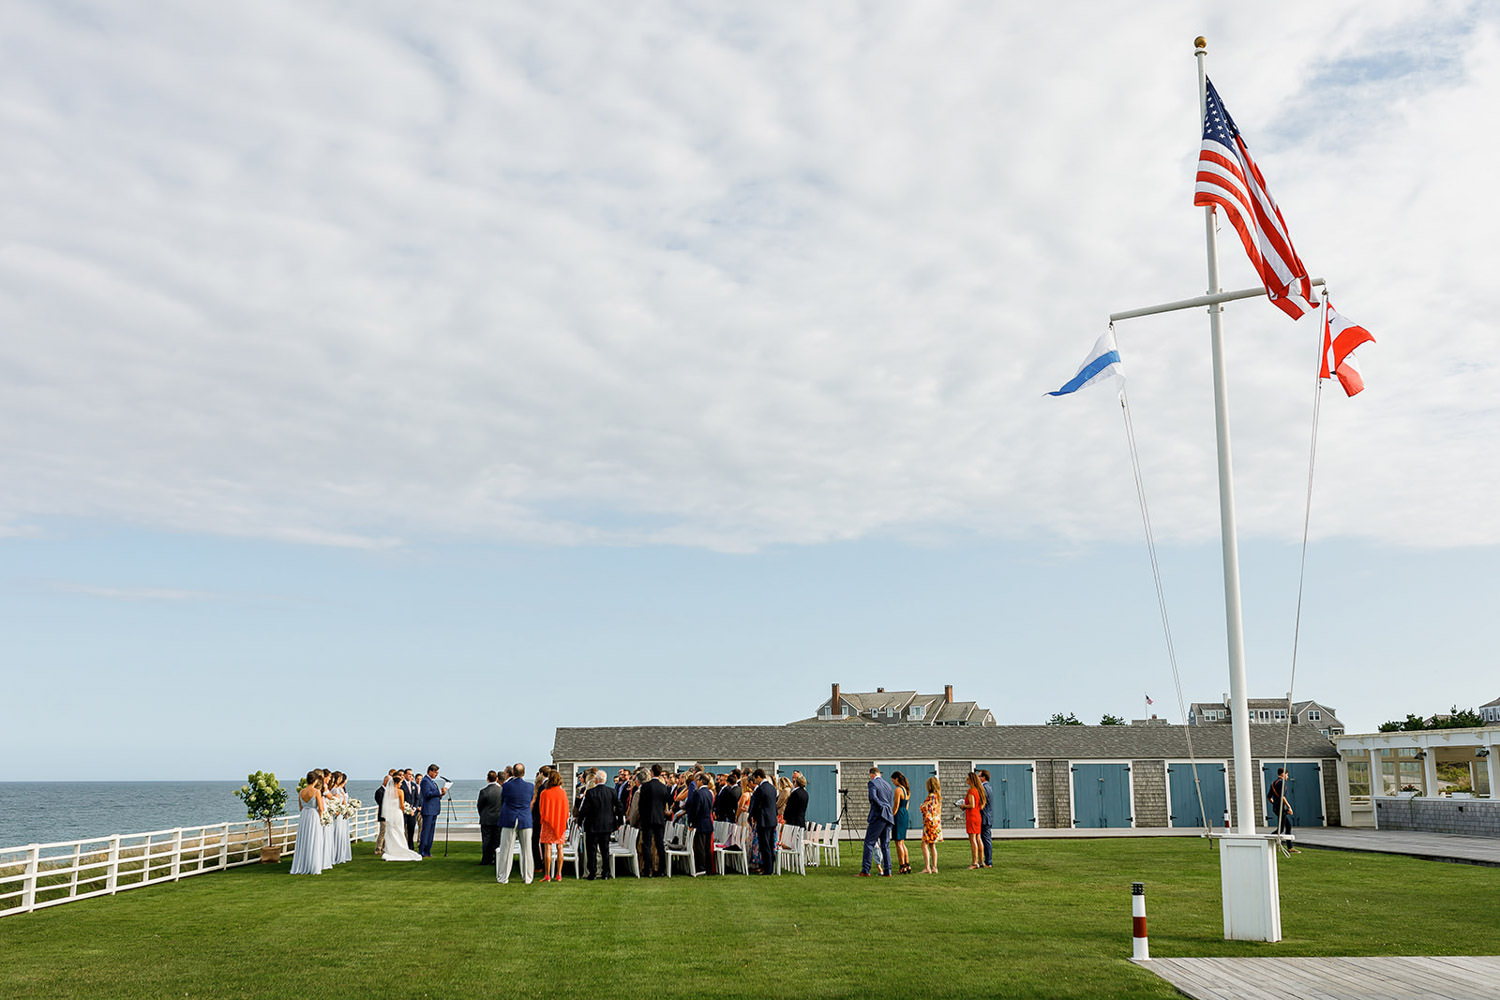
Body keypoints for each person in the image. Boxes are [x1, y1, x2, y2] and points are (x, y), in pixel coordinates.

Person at [496, 763, 535, 884]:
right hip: (525, 819)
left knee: (506, 850)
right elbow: (529, 800)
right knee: (527, 850)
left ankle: (503, 877)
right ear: (524, 773)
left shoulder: (507, 786)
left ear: (513, 772)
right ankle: (528, 878)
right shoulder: (530, 786)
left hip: (509, 818)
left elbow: (502, 799)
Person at [579, 769, 618, 880]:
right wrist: (619, 821)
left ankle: (592, 873)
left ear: (596, 780)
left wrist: (579, 821)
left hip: (592, 825)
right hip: (606, 826)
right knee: (605, 850)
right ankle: (605, 873)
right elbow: (619, 807)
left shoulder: (591, 793)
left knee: (592, 850)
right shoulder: (612, 792)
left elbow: (585, 809)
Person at [636, 764, 671, 877]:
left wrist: (642, 816)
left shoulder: (645, 787)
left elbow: (641, 805)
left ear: (651, 772)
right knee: (660, 844)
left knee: (647, 844)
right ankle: (661, 869)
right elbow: (666, 802)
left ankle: (647, 869)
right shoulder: (663, 787)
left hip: (647, 819)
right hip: (659, 818)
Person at [859, 766, 894, 877]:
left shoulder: (872, 783)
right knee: (885, 845)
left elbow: (873, 797)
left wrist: (880, 806)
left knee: (869, 843)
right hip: (888, 816)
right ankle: (888, 871)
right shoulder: (888, 785)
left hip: (878, 815)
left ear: (872, 775)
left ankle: (866, 870)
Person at [379, 772, 422, 862]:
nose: (401, 784)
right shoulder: (400, 791)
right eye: (400, 783)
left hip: (390, 814)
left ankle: (391, 851)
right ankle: (401, 849)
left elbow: (387, 805)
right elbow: (402, 805)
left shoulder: (388, 792)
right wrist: (406, 810)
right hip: (398, 814)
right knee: (399, 831)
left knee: (391, 832)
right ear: (396, 783)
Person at [289, 771, 326, 875]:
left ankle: (301, 865)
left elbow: (301, 807)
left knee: (304, 839)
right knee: (314, 839)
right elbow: (321, 808)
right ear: (315, 780)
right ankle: (313, 866)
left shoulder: (301, 792)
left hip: (304, 816)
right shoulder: (316, 792)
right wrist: (321, 817)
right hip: (313, 816)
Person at [537, 771, 569, 882]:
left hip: (547, 824)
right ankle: (559, 874)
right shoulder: (563, 793)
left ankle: (547, 875)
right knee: (560, 848)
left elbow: (541, 810)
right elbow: (566, 810)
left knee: (548, 848)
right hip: (560, 823)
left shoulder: (544, 793)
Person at [749, 769, 778, 875]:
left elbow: (758, 805)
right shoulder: (772, 788)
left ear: (758, 777)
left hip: (763, 820)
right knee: (770, 845)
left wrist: (753, 816)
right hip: (772, 819)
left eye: (755, 778)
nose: (754, 781)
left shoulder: (760, 789)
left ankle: (767, 869)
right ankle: (770, 867)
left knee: (764, 845)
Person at [686, 772, 715, 875]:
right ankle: (708, 868)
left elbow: (696, 809)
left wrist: (691, 823)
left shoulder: (698, 793)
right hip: (708, 822)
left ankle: (701, 867)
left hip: (700, 823)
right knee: (707, 847)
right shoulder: (709, 792)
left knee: (700, 847)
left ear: (701, 781)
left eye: (697, 780)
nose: (696, 782)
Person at [1268, 767, 1300, 852]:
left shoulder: (1273, 783)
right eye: (1287, 775)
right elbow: (1283, 797)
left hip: (1276, 808)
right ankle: (1268, 842)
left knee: (1288, 825)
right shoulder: (1282, 783)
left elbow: (1269, 797)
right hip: (1281, 808)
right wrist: (1289, 807)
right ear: (1283, 774)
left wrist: (1274, 803)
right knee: (1281, 829)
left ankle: (1290, 847)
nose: (1288, 777)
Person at [418, 765, 447, 858]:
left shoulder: (432, 782)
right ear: (430, 771)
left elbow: (434, 795)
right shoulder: (425, 781)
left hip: (434, 810)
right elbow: (427, 794)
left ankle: (427, 851)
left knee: (431, 832)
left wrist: (441, 794)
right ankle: (422, 850)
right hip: (428, 810)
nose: (436, 775)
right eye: (435, 773)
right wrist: (438, 792)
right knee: (426, 831)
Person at [477, 771, 504, 866]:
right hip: (498, 819)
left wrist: (482, 815)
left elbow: (479, 805)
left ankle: (486, 859)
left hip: (486, 819)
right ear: (496, 779)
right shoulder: (501, 791)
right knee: (497, 840)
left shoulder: (483, 791)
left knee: (486, 840)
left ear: (487, 779)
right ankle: (497, 859)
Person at [919, 776, 943, 875]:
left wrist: (922, 807)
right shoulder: (938, 796)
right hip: (936, 822)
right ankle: (934, 867)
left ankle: (927, 867)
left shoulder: (931, 796)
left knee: (924, 843)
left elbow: (927, 808)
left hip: (930, 823)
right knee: (932, 845)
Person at [962, 772, 987, 870]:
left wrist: (963, 806)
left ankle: (974, 862)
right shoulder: (978, 791)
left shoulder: (971, 791)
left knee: (973, 840)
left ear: (971, 781)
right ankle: (981, 861)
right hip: (977, 816)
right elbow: (979, 805)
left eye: (967, 779)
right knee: (978, 838)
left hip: (972, 817)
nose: (966, 780)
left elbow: (971, 805)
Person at [890, 771, 912, 875]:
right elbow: (906, 805)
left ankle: (902, 866)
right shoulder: (907, 790)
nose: (893, 782)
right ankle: (907, 864)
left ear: (897, 779)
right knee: (902, 842)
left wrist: (891, 816)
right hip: (905, 814)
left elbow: (896, 805)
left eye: (893, 780)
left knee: (898, 842)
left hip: (898, 815)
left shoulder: (898, 790)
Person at [978, 770, 994, 868]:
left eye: (979, 776)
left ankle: (988, 861)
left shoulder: (984, 788)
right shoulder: (989, 787)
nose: (978, 778)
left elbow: (981, 803)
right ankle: (986, 860)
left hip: (985, 817)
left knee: (986, 840)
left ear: (983, 777)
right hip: (988, 817)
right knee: (985, 839)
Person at [400, 769, 419, 852]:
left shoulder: (414, 785)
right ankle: (403, 847)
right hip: (404, 812)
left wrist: (414, 808)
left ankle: (411, 847)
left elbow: (417, 798)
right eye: (409, 774)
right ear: (404, 775)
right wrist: (406, 809)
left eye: (411, 774)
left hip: (412, 813)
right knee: (402, 830)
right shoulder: (401, 785)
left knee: (411, 830)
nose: (410, 776)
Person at [373, 772, 389, 855]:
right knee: (382, 832)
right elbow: (381, 802)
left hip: (388, 815)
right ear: (385, 781)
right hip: (383, 815)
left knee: (386, 832)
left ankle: (383, 847)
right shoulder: (379, 791)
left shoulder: (388, 791)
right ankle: (378, 848)